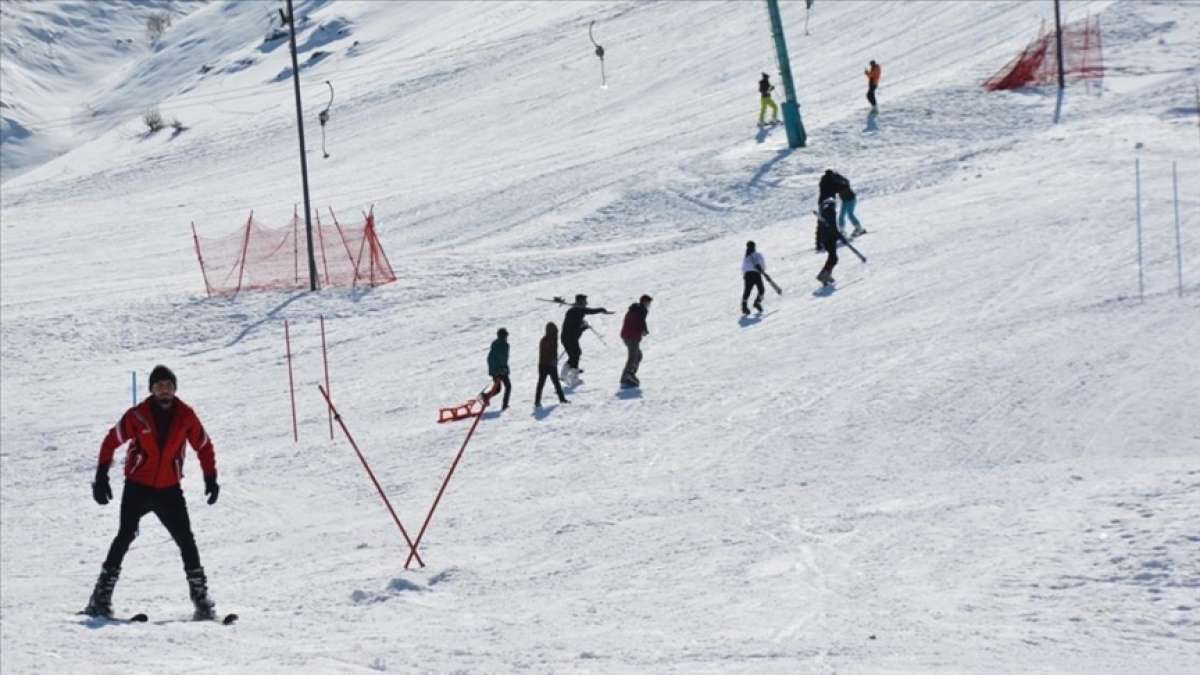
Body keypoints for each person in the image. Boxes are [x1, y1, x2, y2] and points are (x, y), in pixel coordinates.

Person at [82, 365, 221, 621]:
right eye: (158, 386)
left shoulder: (185, 415)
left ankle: (202, 601)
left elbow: (203, 445)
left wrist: (210, 477)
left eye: (168, 385)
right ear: (152, 390)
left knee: (186, 541)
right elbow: (111, 441)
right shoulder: (139, 415)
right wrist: (101, 477)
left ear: (175, 388)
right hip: (138, 487)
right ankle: (100, 598)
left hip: (169, 489)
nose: (164, 390)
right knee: (125, 535)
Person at [560, 294, 612, 385]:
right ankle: (573, 378)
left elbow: (575, 326)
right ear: (580, 302)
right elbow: (590, 311)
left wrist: (583, 327)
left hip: (567, 337)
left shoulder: (574, 310)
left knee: (574, 355)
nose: (586, 303)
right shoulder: (578, 310)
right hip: (569, 338)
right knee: (575, 354)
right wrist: (601, 309)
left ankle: (564, 374)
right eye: (585, 301)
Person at [619, 295, 652, 388]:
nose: (649, 305)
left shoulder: (634, 309)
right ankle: (628, 376)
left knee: (638, 355)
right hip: (631, 336)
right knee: (633, 357)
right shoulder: (641, 310)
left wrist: (643, 329)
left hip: (627, 335)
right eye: (648, 303)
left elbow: (639, 321)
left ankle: (628, 375)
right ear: (644, 302)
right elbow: (641, 321)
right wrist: (644, 330)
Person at [535, 322, 569, 407]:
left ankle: (561, 399)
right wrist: (552, 360)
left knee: (554, 383)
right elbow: (546, 353)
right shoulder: (547, 340)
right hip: (546, 365)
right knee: (543, 383)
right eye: (555, 331)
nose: (556, 333)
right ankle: (537, 401)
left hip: (548, 365)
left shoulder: (551, 339)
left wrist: (554, 359)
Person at [816, 197, 849, 285]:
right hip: (830, 238)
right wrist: (841, 237)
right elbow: (833, 228)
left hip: (826, 239)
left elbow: (819, 229)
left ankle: (827, 274)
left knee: (833, 257)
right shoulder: (831, 213)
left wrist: (818, 243)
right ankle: (824, 274)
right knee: (833, 258)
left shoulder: (823, 214)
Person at [482, 328, 512, 410]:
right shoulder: (504, 345)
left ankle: (486, 396)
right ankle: (505, 405)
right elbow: (503, 358)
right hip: (500, 370)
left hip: (494, 369)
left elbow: (490, 358)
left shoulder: (495, 344)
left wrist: (493, 371)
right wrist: (504, 369)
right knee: (508, 386)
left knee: (498, 388)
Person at [741, 241, 767, 315]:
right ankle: (757, 302)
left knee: (747, 291)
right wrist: (763, 271)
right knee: (761, 290)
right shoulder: (758, 255)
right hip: (756, 274)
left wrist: (744, 275)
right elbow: (762, 264)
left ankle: (744, 307)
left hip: (747, 275)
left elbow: (743, 267)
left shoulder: (746, 257)